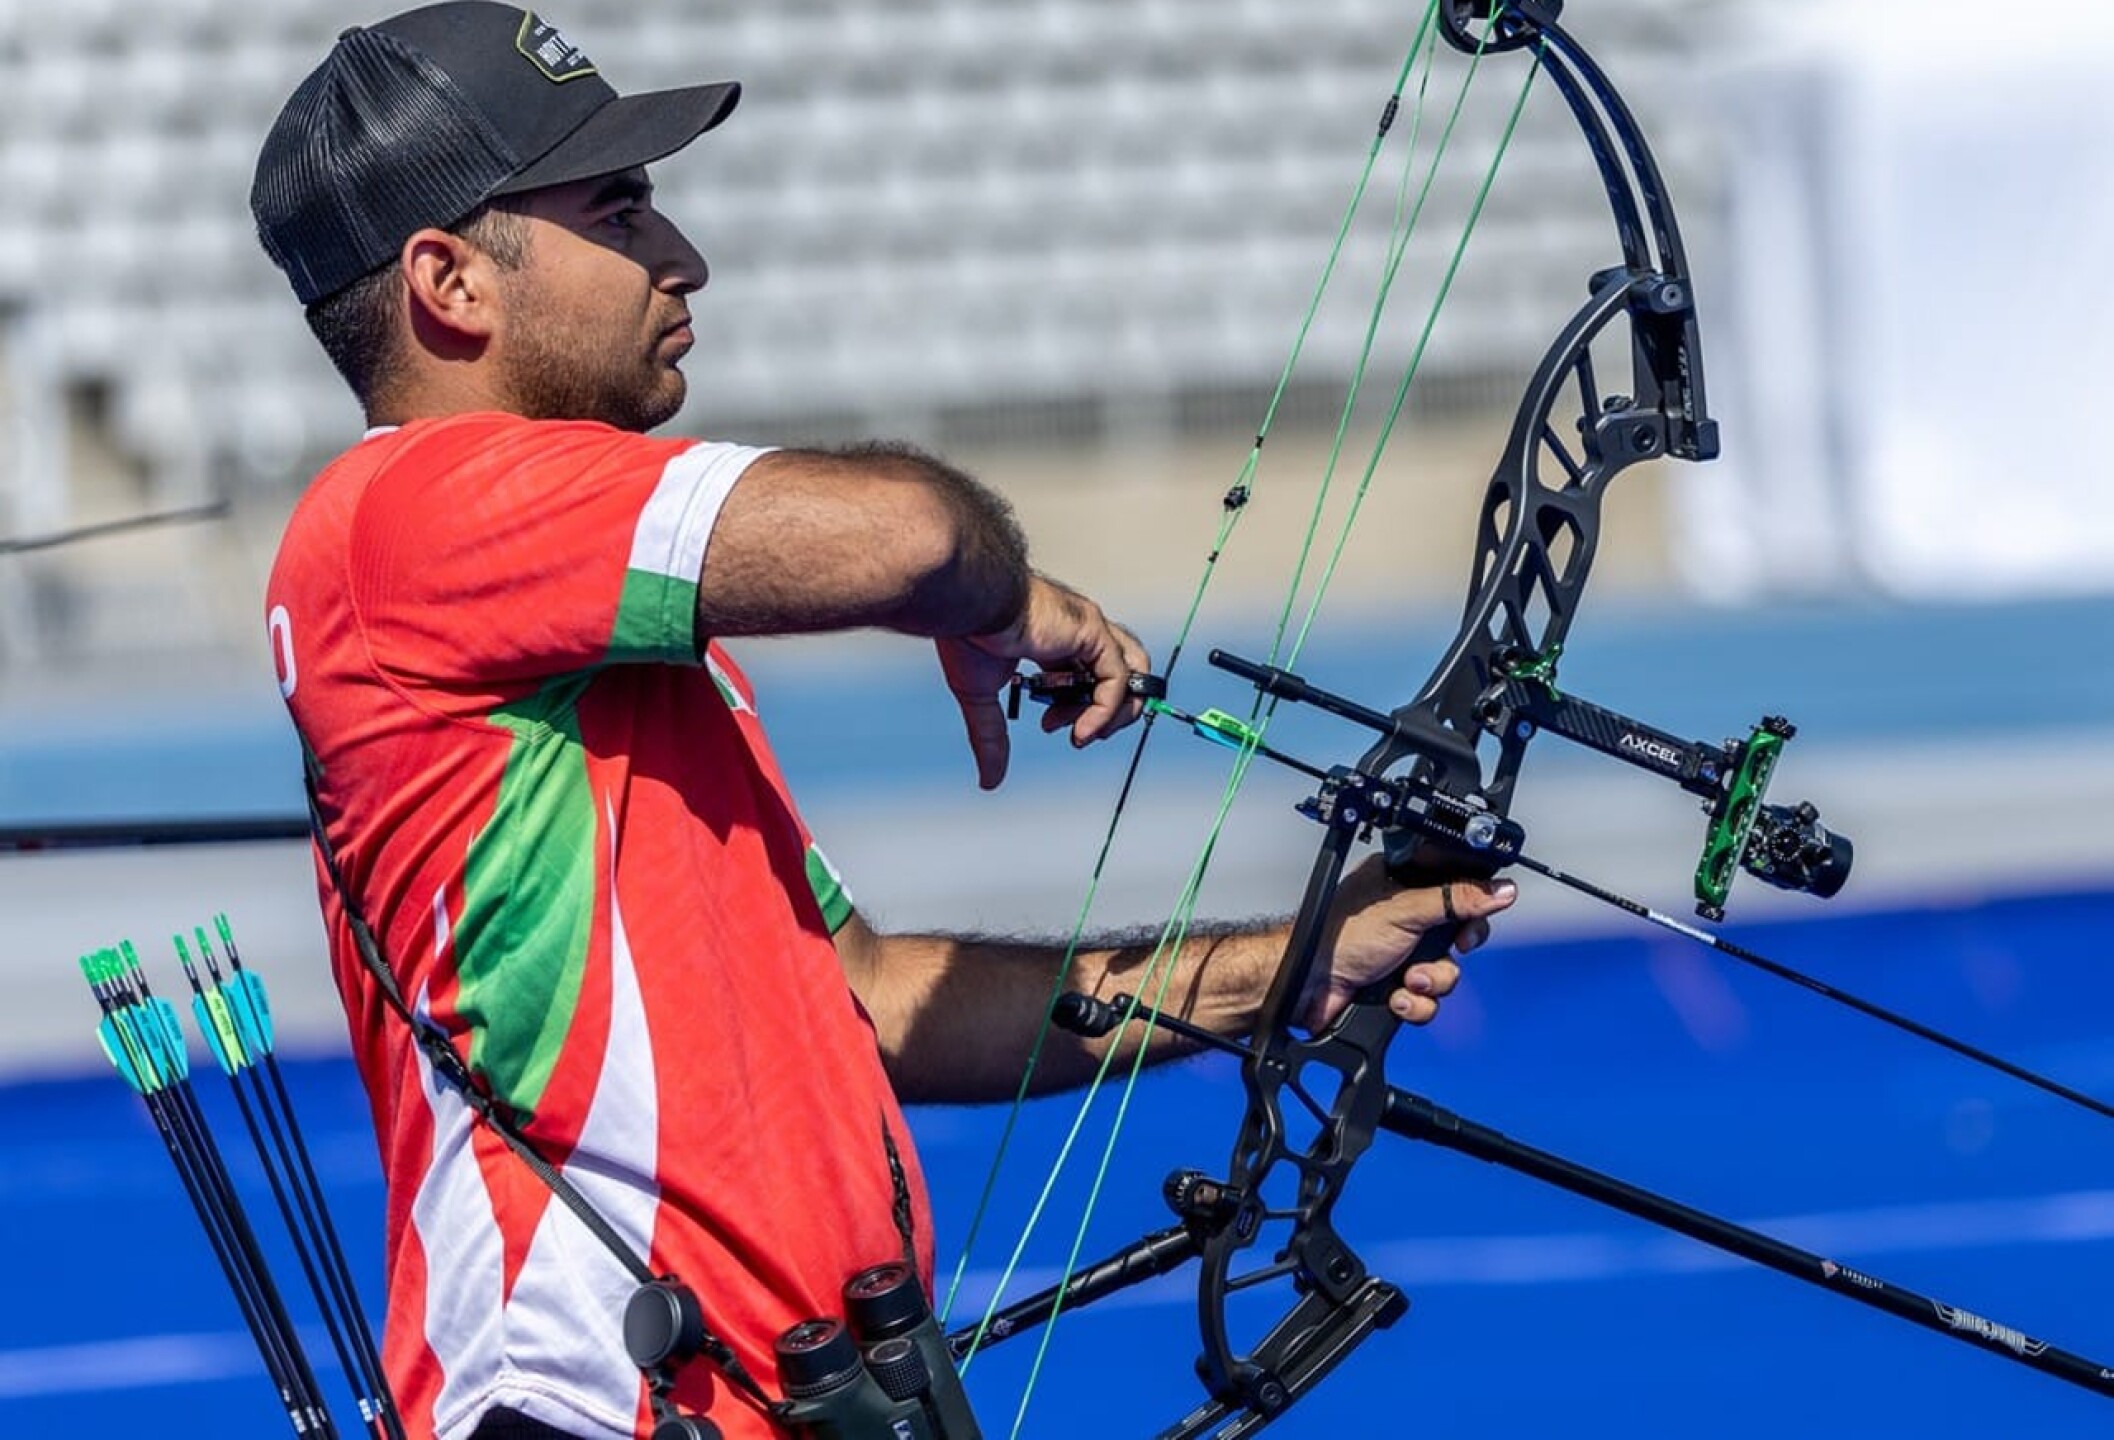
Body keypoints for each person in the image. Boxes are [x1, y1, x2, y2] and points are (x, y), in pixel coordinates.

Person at [249, 5, 1518, 1438]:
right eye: (616, 208)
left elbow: (862, 1000)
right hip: (594, 1401)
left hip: (794, 1392)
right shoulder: (410, 513)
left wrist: (1284, 973)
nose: (682, 256)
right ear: (451, 282)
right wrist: (998, 601)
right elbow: (911, 536)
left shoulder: (588, 637)